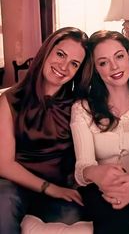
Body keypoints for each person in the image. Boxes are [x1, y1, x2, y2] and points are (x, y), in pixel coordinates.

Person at [70, 30, 129, 234]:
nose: (114, 67)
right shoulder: (82, 108)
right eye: (103, 62)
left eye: (119, 56)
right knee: (114, 215)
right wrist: (97, 174)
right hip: (100, 191)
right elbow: (82, 165)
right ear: (95, 69)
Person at [0, 27, 89, 234]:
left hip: (61, 188)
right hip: (14, 184)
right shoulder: (9, 101)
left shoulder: (78, 106)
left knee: (71, 216)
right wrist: (48, 188)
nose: (64, 66)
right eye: (60, 54)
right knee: (2, 202)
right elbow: (4, 164)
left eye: (74, 64)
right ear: (47, 51)